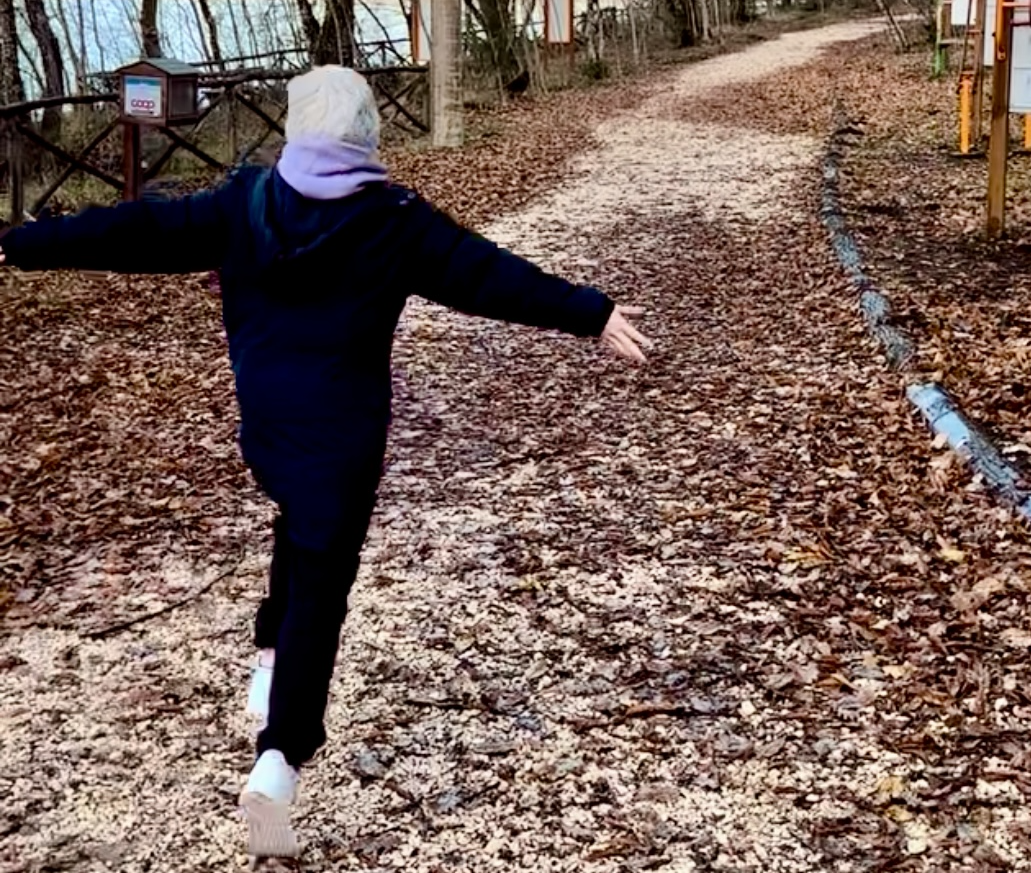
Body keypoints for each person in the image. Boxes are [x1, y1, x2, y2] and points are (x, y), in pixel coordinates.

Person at [0, 65, 651, 857]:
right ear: (367, 134)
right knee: (323, 582)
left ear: (297, 130)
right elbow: (487, 275)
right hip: (342, 441)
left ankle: (270, 654)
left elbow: (133, 230)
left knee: (298, 526)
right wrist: (590, 312)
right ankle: (280, 756)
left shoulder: (244, 203)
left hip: (267, 428)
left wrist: (19, 244)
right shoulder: (394, 219)